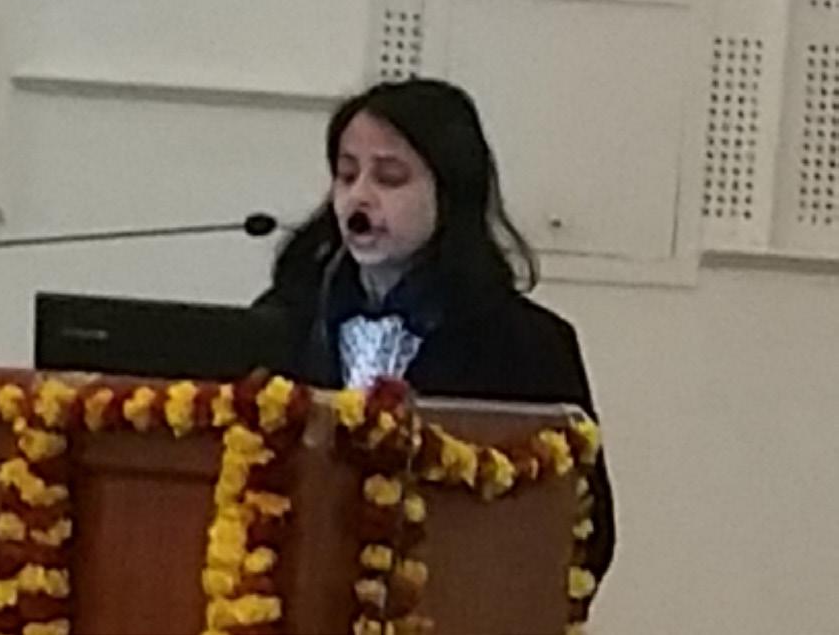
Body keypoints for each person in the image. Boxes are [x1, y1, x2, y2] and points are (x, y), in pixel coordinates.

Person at [252, 77, 615, 591]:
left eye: (390, 178)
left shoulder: (526, 343)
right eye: (347, 174)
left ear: (450, 193)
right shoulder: (282, 322)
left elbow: (588, 531)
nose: (359, 197)